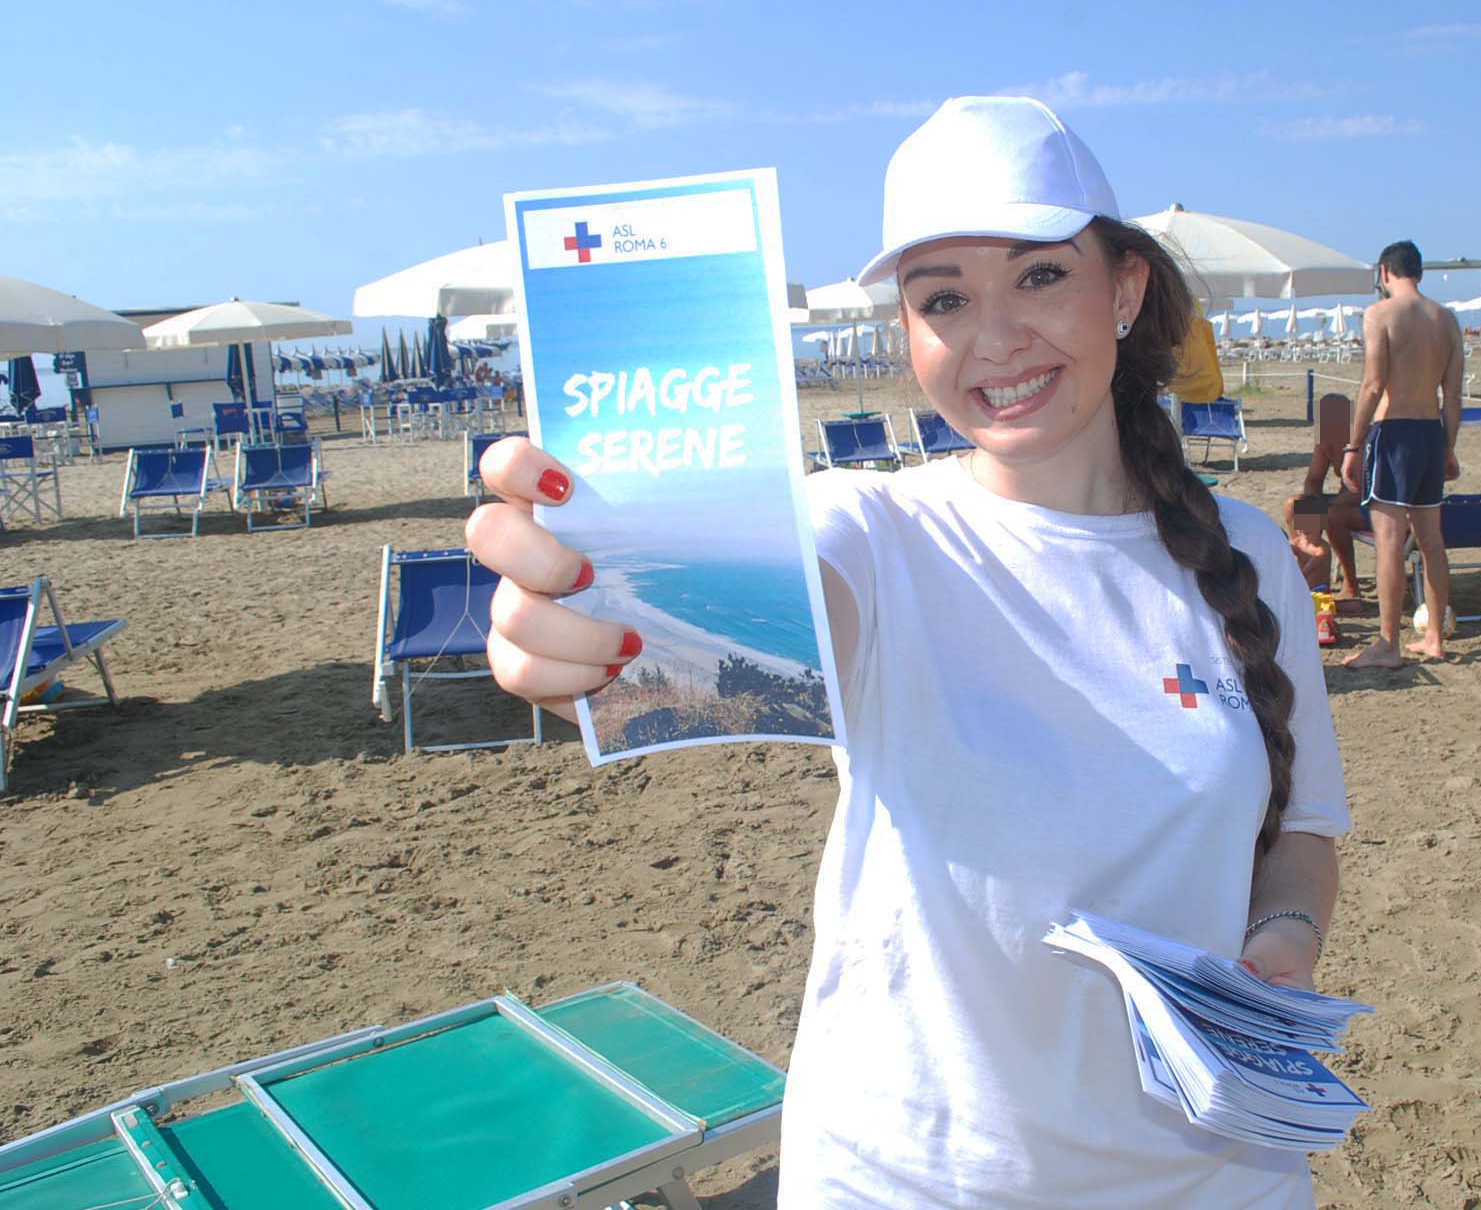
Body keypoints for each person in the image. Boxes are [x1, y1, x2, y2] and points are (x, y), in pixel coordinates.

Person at [467, 95, 1350, 1208]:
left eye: (1038, 277)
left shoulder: (1249, 554)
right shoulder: (868, 534)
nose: (994, 339)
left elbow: (1303, 824)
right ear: (907, 333)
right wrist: (586, 622)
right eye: (943, 300)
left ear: (1122, 290)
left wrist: (1282, 940)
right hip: (913, 1180)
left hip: (1217, 1176)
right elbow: (721, 628)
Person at [1340, 240, 1462, 667]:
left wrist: (1353, 445)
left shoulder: (1380, 314)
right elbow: (1454, 396)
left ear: (1385, 272)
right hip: (1431, 432)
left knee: (1389, 543)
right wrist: (1448, 446)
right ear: (1420, 272)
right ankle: (1434, 638)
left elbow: (1374, 384)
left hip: (1394, 433)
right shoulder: (1446, 319)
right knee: (1431, 542)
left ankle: (1388, 644)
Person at [1282, 392, 1366, 608]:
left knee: (1332, 516)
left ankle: (1351, 588)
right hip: (1343, 499)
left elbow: (1360, 492)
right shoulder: (1326, 443)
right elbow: (1313, 480)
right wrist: (1311, 502)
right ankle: (1308, 570)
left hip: (1370, 503)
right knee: (1293, 505)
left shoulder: (1361, 442)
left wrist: (1323, 506)